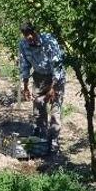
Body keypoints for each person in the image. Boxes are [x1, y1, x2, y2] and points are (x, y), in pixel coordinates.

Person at [18, 22, 65, 153]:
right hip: (39, 76)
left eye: (30, 33)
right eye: (25, 34)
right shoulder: (23, 45)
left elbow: (57, 66)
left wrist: (53, 87)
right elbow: (24, 65)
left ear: (36, 31)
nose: (28, 37)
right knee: (38, 105)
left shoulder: (49, 42)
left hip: (55, 77)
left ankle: (54, 139)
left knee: (55, 108)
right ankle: (41, 137)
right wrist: (25, 86)